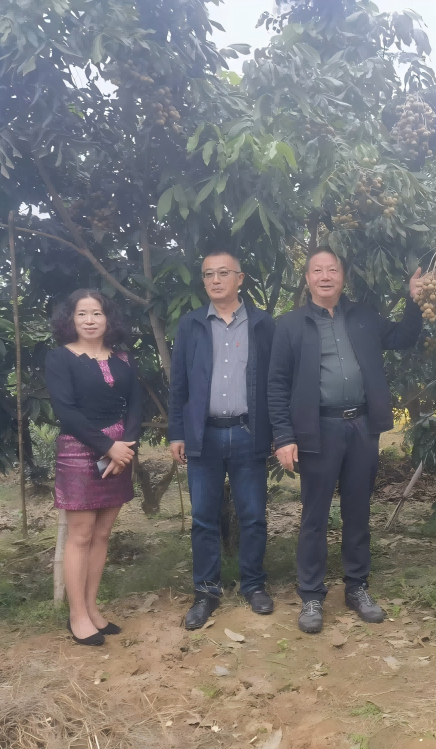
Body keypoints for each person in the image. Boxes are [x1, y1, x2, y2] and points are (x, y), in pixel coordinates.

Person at [268, 248, 422, 634]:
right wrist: (284, 436)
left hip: (361, 428)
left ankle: (357, 587)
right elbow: (277, 384)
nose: (325, 276)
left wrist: (414, 299)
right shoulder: (289, 325)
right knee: (314, 516)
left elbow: (404, 337)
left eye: (332, 270)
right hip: (317, 429)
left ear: (342, 276)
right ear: (307, 279)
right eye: (317, 270)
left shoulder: (364, 317)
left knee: (358, 511)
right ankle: (311, 595)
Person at [169, 250, 276, 629]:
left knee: (253, 516)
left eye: (223, 273)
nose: (215, 280)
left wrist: (277, 432)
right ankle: (206, 592)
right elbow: (179, 383)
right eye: (209, 274)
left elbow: (275, 382)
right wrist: (177, 432)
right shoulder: (191, 325)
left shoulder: (262, 324)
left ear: (240, 278)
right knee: (203, 518)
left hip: (249, 433)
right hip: (204, 435)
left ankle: (254, 585)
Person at [46, 289, 142, 646]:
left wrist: (125, 447)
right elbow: (65, 411)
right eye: (82, 314)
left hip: (120, 453)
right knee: (82, 534)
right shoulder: (60, 357)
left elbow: (136, 405)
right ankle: (77, 616)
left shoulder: (124, 358)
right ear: (71, 319)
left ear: (107, 318)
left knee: (102, 534)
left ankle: (91, 608)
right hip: (79, 450)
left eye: (97, 313)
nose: (89, 320)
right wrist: (107, 447)